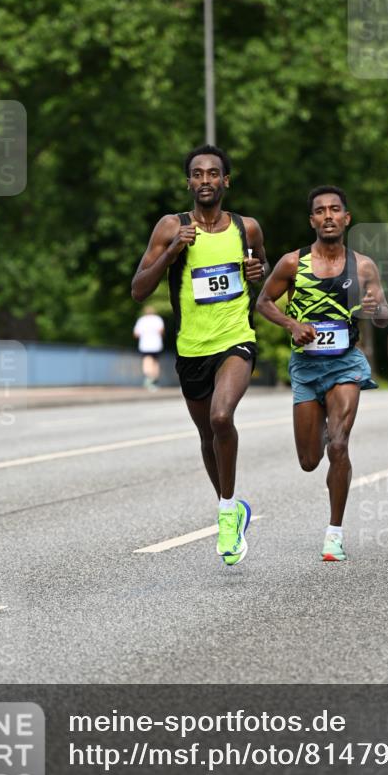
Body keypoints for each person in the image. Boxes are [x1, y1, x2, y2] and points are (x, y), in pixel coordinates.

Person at [131, 144, 268, 566]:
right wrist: (173, 252)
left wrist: (256, 273)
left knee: (221, 417)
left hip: (235, 339)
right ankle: (231, 506)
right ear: (188, 182)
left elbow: (265, 279)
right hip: (192, 347)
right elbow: (138, 289)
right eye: (197, 174)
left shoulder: (247, 228)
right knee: (207, 435)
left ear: (226, 181)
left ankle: (226, 513)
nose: (205, 180)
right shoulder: (172, 226)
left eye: (213, 173)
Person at [256, 185, 388, 562]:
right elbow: (263, 302)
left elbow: (383, 318)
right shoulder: (291, 263)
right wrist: (291, 324)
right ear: (312, 220)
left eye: (335, 210)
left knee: (339, 446)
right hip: (306, 367)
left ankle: (334, 534)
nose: (328, 216)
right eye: (320, 211)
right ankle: (330, 427)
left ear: (346, 219)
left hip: (346, 363)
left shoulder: (363, 266)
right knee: (309, 460)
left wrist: (376, 306)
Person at [133, 306, 165, 390]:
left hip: (145, 345)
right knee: (155, 362)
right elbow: (161, 331)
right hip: (156, 344)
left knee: (147, 361)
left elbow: (136, 334)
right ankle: (154, 380)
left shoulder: (141, 320)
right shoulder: (158, 319)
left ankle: (149, 379)